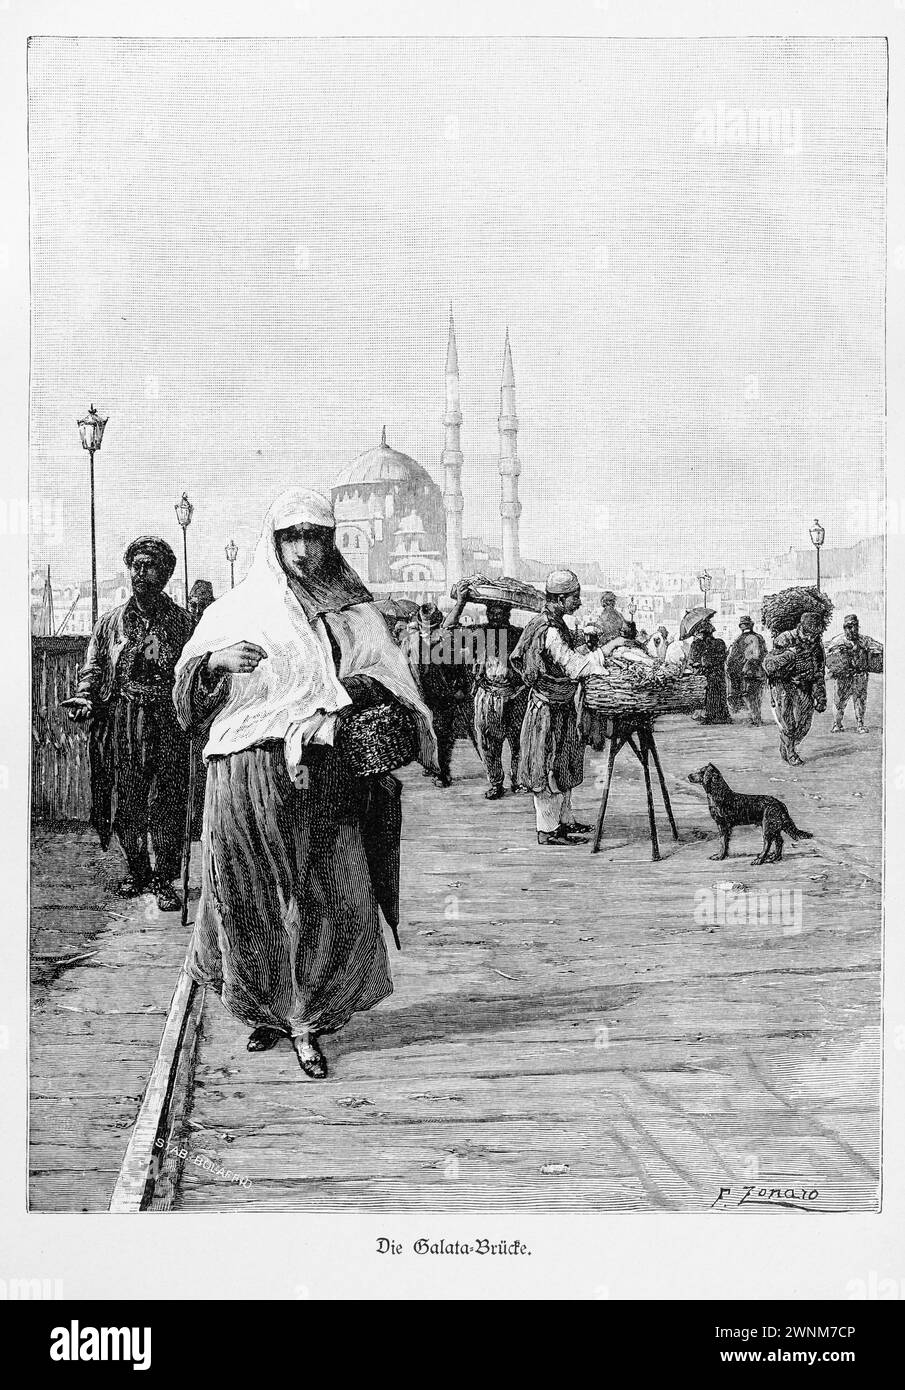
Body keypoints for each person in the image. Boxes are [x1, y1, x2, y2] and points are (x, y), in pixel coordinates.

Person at [173, 488, 435, 1079]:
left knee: (322, 891)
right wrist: (215, 663)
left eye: (316, 537)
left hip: (317, 771)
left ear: (330, 541)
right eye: (293, 538)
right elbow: (185, 701)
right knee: (245, 892)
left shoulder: (347, 608)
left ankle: (307, 1019)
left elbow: (386, 675)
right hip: (241, 771)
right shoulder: (236, 610)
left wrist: (337, 704)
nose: (305, 551)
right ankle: (267, 1007)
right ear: (275, 542)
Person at [64, 536, 194, 911]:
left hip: (168, 720)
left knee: (169, 800)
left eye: (150, 565)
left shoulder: (183, 623)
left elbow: (195, 672)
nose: (141, 573)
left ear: (165, 573)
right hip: (125, 718)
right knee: (129, 800)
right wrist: (86, 696)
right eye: (135, 565)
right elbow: (94, 668)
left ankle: (165, 878)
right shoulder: (110, 624)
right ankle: (139, 872)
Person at [510, 569, 613, 846]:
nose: (578, 602)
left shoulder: (552, 623)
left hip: (560, 705)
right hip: (547, 709)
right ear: (559, 598)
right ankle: (548, 831)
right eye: (574, 597)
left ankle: (564, 821)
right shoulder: (549, 629)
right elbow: (571, 664)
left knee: (563, 763)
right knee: (545, 767)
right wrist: (604, 658)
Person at [444, 579, 528, 800]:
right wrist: (460, 602)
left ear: (509, 613)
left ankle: (518, 779)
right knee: (489, 743)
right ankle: (496, 783)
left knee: (519, 741)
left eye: (502, 612)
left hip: (516, 695)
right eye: (494, 612)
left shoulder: (519, 634)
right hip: (488, 695)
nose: (498, 616)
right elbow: (448, 630)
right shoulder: (479, 634)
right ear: (488, 613)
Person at [405, 603, 465, 787]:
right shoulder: (410, 640)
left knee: (443, 734)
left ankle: (442, 773)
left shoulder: (448, 639)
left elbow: (458, 666)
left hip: (442, 694)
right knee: (424, 731)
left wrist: (458, 687)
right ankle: (431, 764)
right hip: (420, 694)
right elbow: (402, 666)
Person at [765, 612, 827, 765]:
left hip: (805, 685)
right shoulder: (785, 639)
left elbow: (819, 670)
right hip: (784, 686)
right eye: (809, 634)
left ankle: (787, 745)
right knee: (789, 722)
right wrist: (788, 655)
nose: (811, 638)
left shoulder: (817, 644)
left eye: (815, 635)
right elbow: (769, 665)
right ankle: (791, 752)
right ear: (801, 629)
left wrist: (821, 696)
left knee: (804, 724)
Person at [689, 620, 732, 724]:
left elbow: (696, 660)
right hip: (718, 673)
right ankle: (721, 716)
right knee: (717, 694)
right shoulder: (719, 642)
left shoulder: (699, 644)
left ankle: (713, 717)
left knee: (712, 694)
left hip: (711, 673)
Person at [726, 616, 767, 725]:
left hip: (746, 671)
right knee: (757, 695)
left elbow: (733, 657)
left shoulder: (739, 640)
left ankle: (755, 718)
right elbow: (764, 653)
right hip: (758, 671)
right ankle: (756, 717)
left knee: (748, 695)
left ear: (741, 627)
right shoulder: (759, 637)